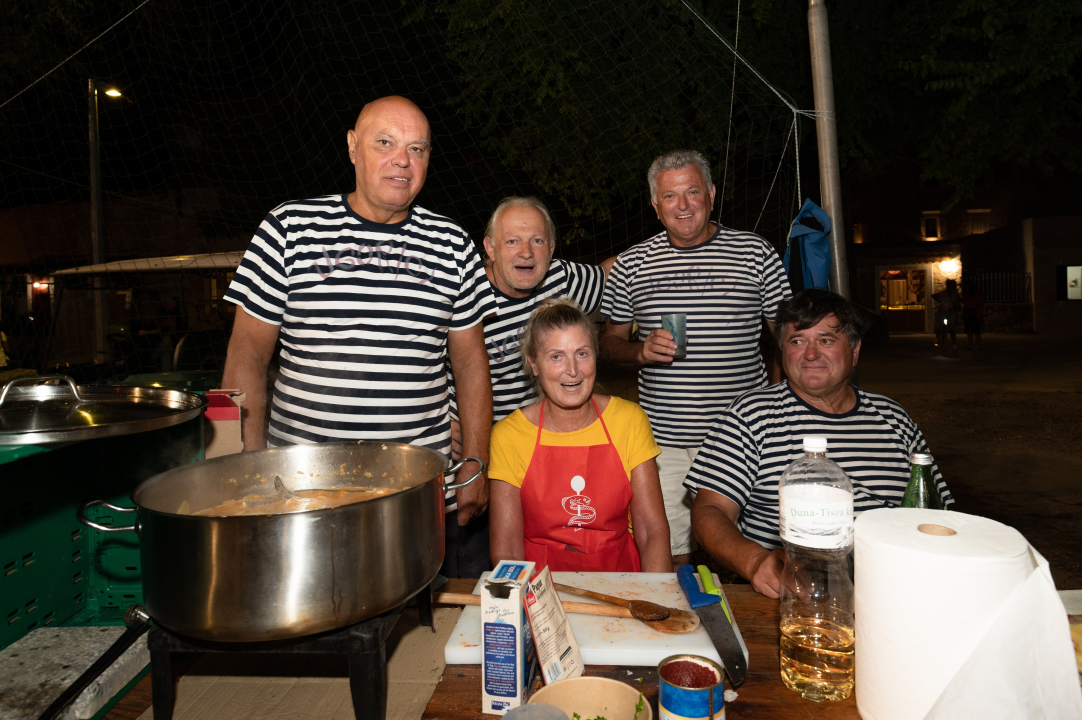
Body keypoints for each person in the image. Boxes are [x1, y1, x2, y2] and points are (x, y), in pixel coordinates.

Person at [221, 96, 497, 572]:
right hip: (300, 486)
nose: (402, 162)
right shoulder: (289, 227)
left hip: (417, 494)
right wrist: (243, 464)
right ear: (352, 147)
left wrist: (475, 464)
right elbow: (246, 353)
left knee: (415, 618)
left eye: (417, 149)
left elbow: (472, 364)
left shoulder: (453, 243)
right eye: (385, 143)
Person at [685, 289, 953, 598]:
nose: (811, 354)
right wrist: (755, 560)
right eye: (797, 341)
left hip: (895, 585)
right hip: (793, 593)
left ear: (854, 351)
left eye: (826, 340)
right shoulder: (750, 416)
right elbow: (710, 509)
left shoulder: (895, 419)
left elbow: (936, 512)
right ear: (782, 352)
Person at [600, 149, 792, 568]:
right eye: (670, 196)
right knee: (671, 556)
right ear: (655, 205)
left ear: (711, 193)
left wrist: (782, 404)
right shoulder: (632, 264)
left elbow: (788, 338)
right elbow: (608, 344)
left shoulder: (755, 253)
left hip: (744, 439)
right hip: (664, 440)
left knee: (753, 555)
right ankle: (681, 631)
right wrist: (640, 351)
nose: (682, 205)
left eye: (692, 192)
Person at [446, 196, 610, 576]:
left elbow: (616, 271)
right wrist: (443, 418)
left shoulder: (563, 280)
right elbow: (420, 357)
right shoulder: (462, 293)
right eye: (512, 241)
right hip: (474, 450)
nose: (526, 252)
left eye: (537, 241)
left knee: (543, 556)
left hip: (535, 456)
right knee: (470, 568)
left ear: (551, 250)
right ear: (488, 247)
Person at [488, 298, 671, 572]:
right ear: (534, 364)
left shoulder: (630, 420)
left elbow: (651, 531)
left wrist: (656, 597)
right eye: (556, 356)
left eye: (582, 353)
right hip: (540, 587)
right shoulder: (508, 435)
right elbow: (507, 549)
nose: (572, 370)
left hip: (623, 579)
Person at [933, 278, 961, 353]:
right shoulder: (948, 293)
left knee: (950, 327)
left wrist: (940, 301)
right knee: (943, 326)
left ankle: (939, 339)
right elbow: (934, 295)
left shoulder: (952, 293)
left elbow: (934, 296)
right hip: (946, 311)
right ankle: (952, 344)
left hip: (948, 311)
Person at [962, 279, 984, 351]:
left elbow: (980, 304)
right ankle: (970, 344)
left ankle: (978, 344)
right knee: (969, 330)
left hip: (974, 313)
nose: (965, 287)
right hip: (968, 313)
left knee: (976, 330)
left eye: (966, 285)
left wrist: (978, 313)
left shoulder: (976, 294)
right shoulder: (966, 294)